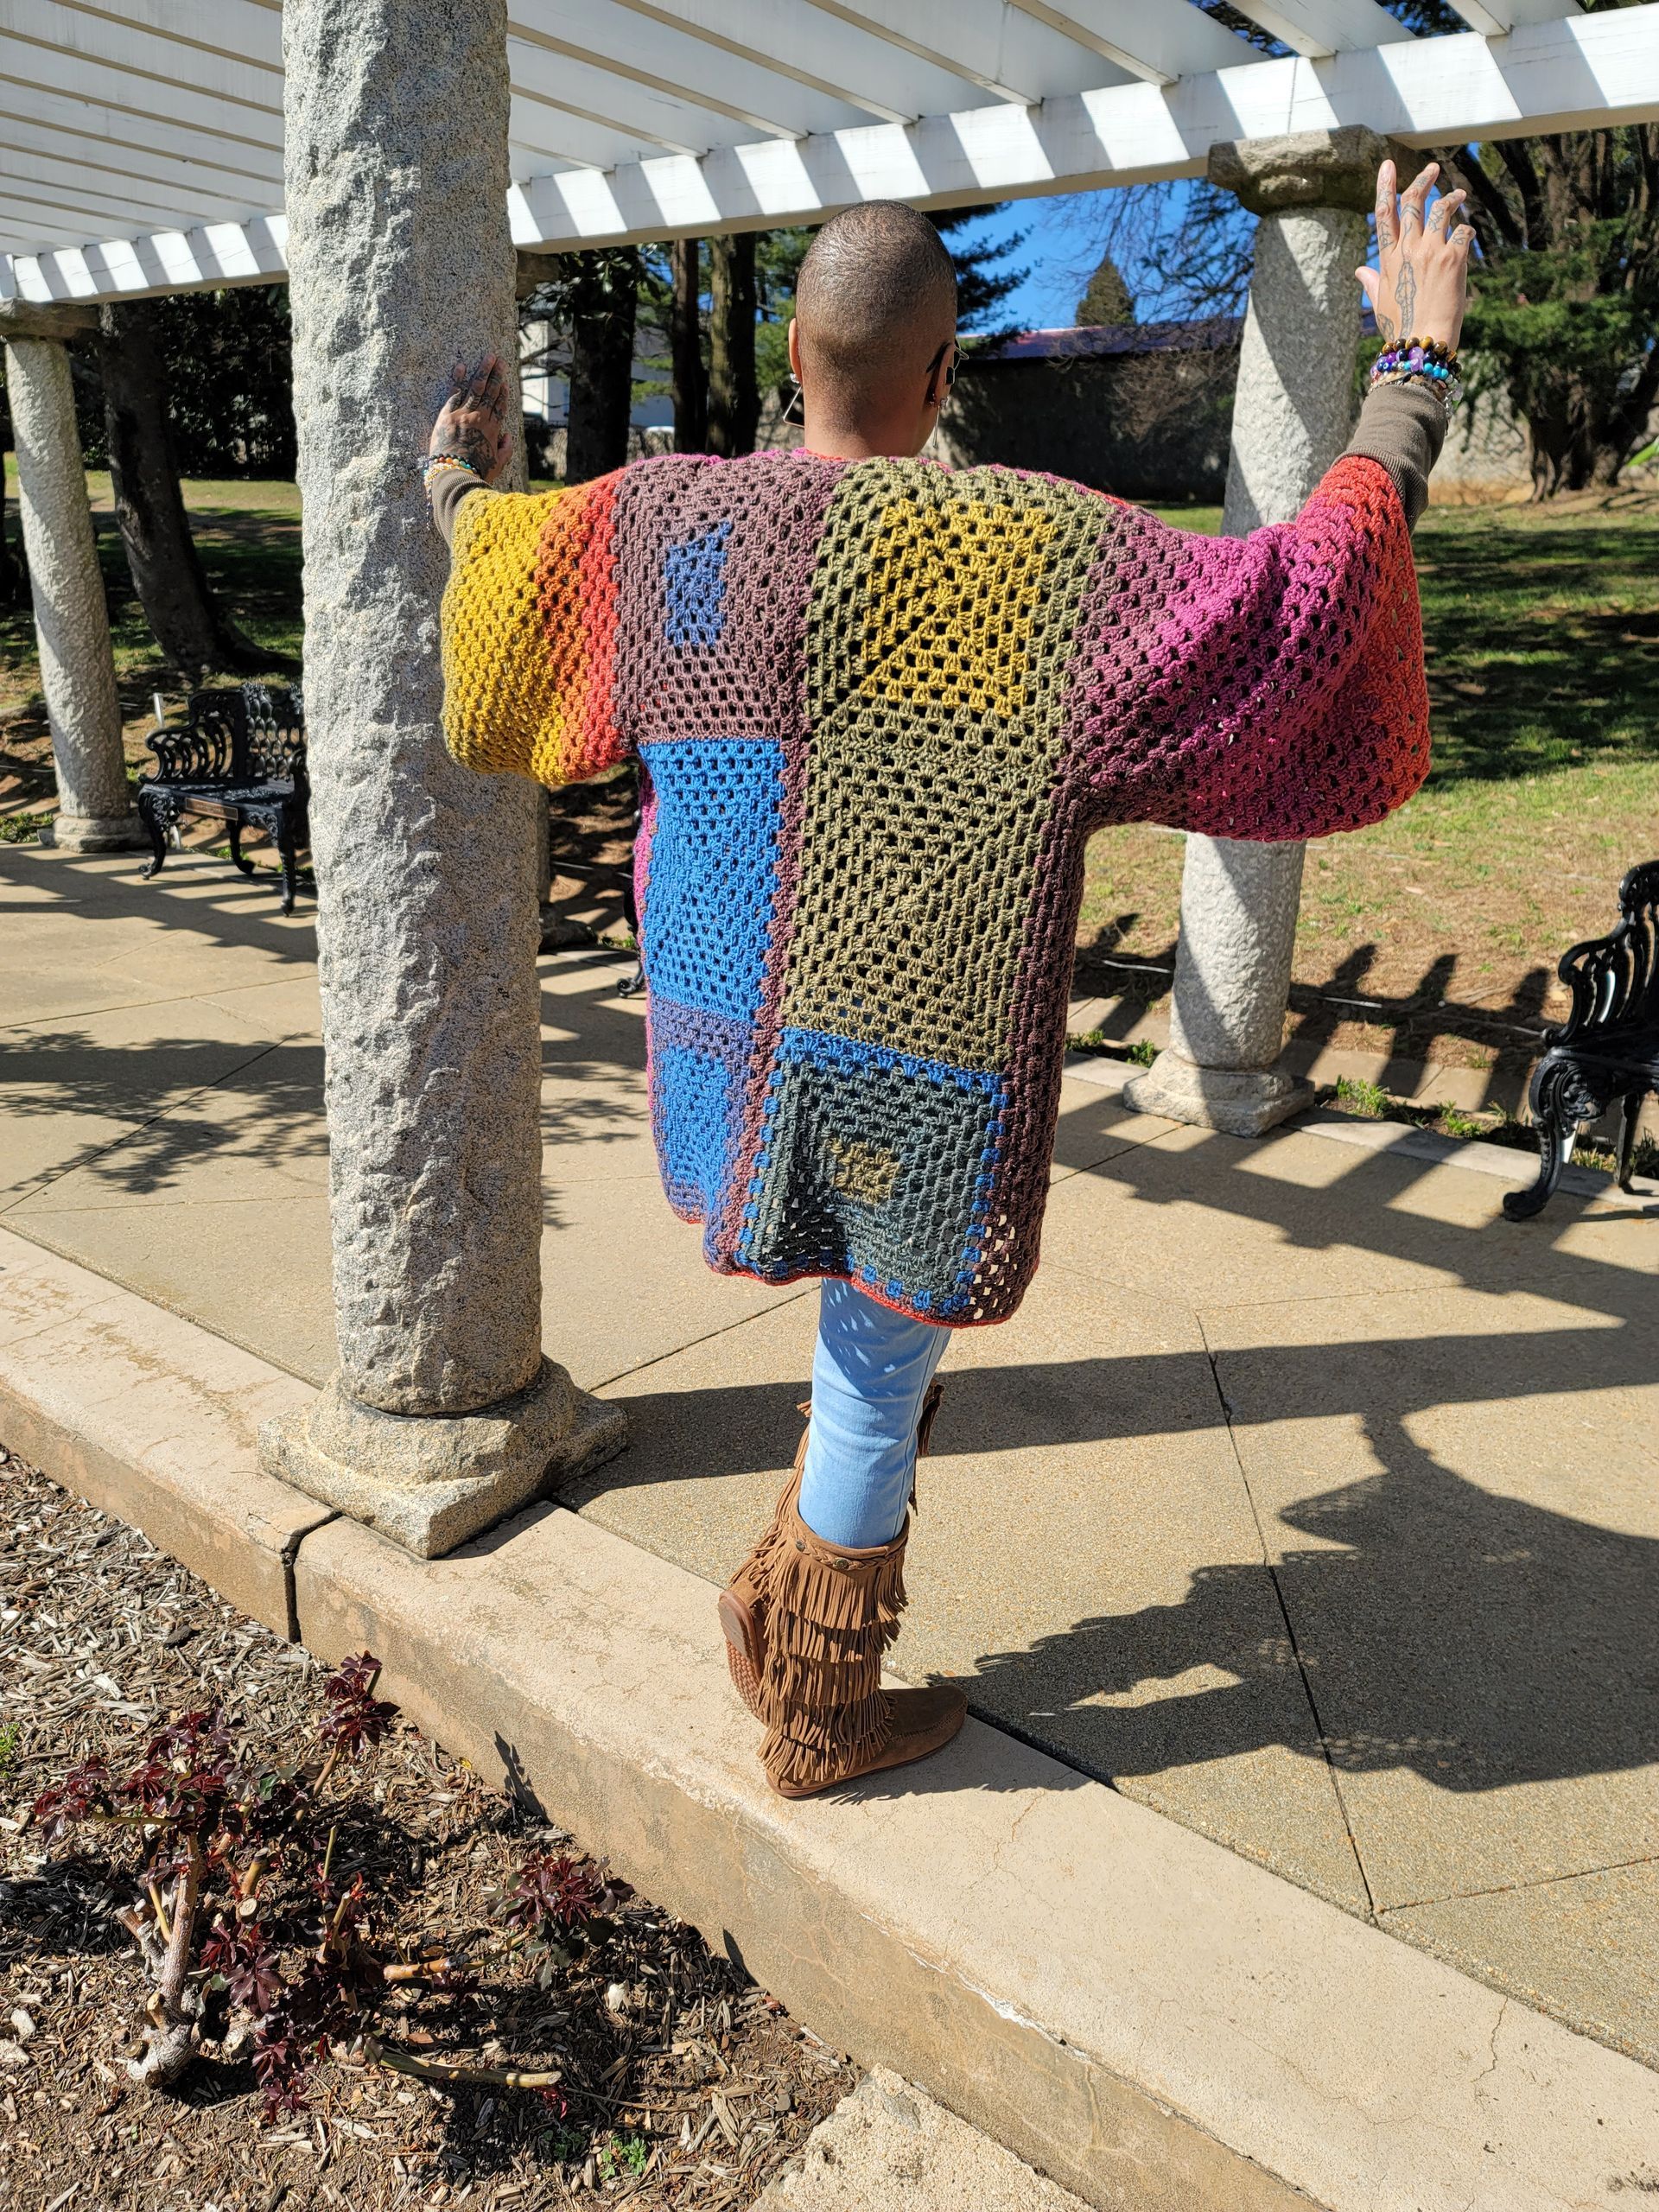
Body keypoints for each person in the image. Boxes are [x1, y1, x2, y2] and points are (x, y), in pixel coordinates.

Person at [427, 163, 1471, 1802]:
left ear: (792, 355)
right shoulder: (1030, 557)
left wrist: (448, 480)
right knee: (876, 1365)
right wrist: (1411, 370)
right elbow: (1295, 602)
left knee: (866, 1360)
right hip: (922, 1067)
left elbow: (504, 583)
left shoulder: (671, 525)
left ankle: (781, 1607)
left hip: (735, 1044)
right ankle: (823, 1715)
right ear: (939, 374)